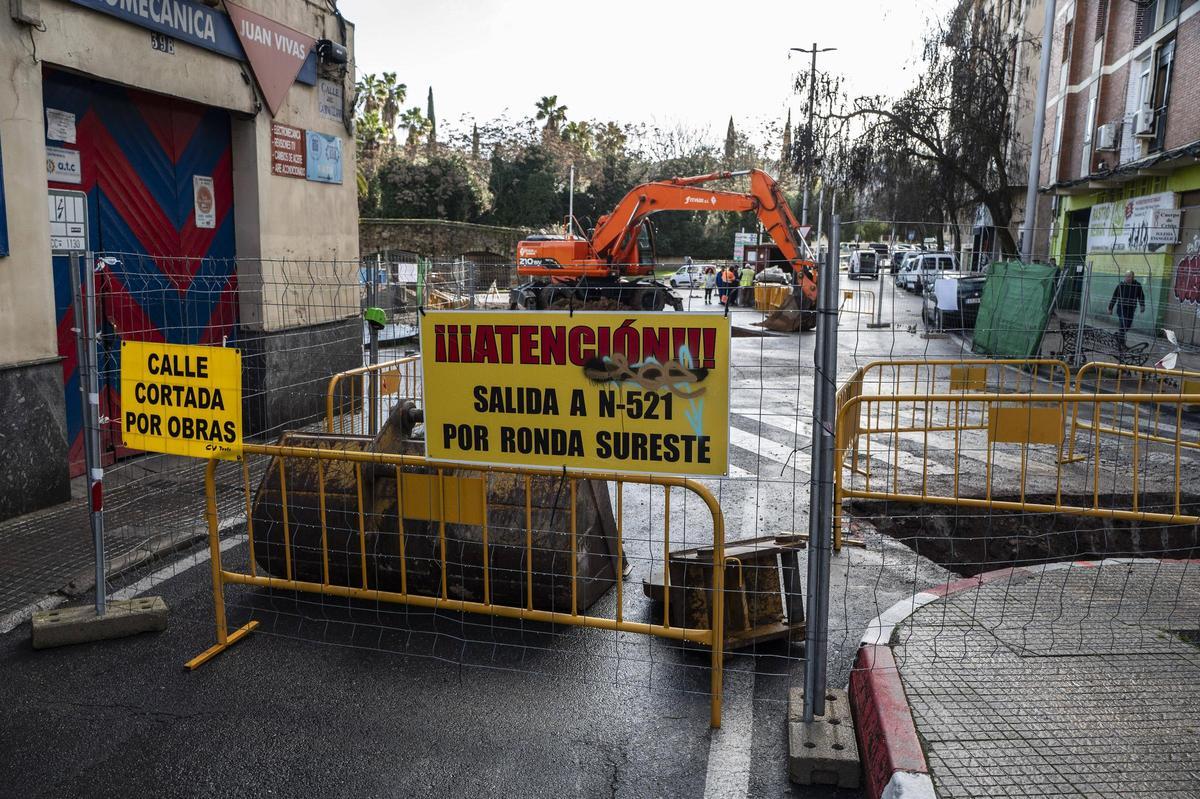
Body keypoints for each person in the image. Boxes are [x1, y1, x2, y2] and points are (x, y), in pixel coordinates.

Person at [1107, 270, 1145, 349]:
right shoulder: (1121, 285)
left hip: (1131, 308)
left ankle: (1118, 336)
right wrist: (1110, 308)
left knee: (1128, 325)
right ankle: (1121, 343)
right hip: (1121, 308)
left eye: (1129, 276)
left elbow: (1141, 296)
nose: (1127, 278)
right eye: (1126, 276)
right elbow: (1114, 297)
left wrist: (1142, 305)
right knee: (1123, 324)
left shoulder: (1137, 286)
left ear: (1133, 277)